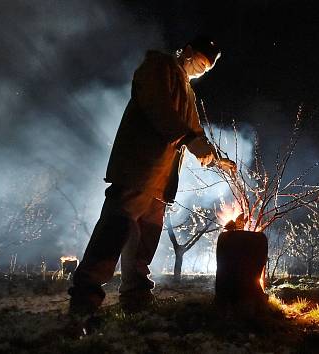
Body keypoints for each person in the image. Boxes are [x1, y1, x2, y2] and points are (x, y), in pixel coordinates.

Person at [68, 36, 236, 316]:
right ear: (189, 52)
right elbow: (157, 106)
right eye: (201, 63)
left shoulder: (188, 91)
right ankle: (84, 298)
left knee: (144, 240)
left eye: (206, 69)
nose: (201, 71)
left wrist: (217, 159)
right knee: (114, 230)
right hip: (138, 168)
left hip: (161, 179)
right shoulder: (157, 67)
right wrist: (188, 139)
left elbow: (194, 132)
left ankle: (136, 299)